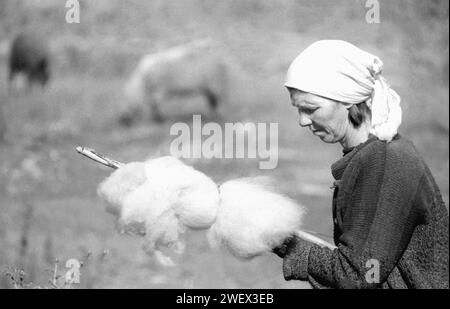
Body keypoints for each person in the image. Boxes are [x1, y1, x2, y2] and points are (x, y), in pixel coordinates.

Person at [274, 40, 449, 289]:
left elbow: (361, 273)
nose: (303, 120)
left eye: (311, 109)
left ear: (346, 100)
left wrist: (281, 240)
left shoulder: (386, 162)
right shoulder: (374, 154)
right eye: (298, 109)